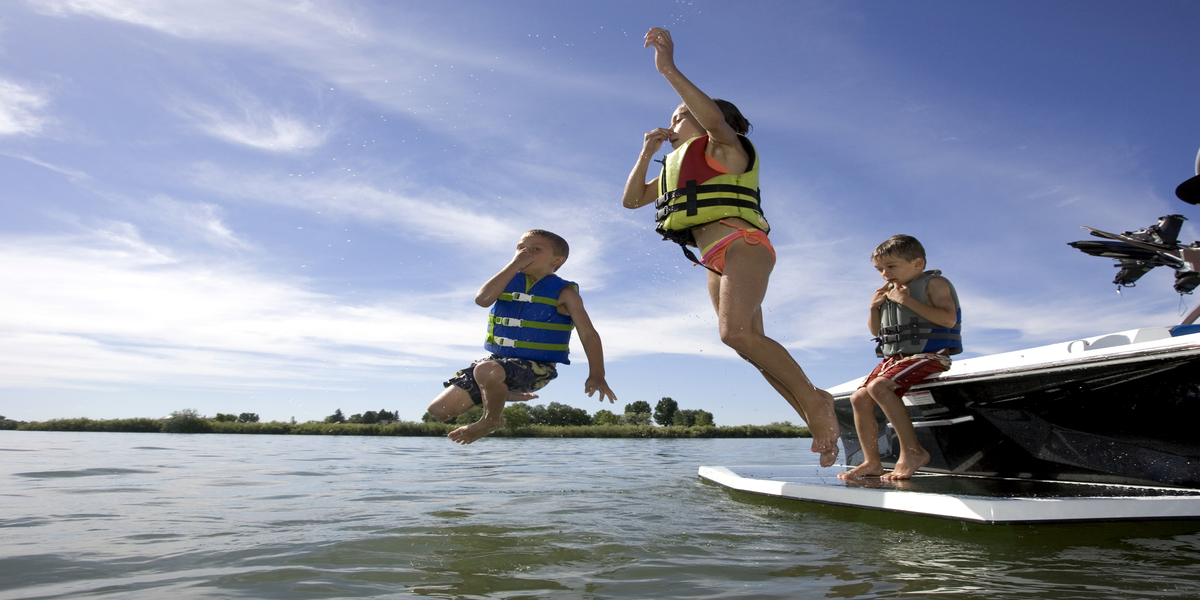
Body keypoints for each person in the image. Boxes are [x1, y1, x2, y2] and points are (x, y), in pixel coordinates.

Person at [621, 27, 840, 466]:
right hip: (714, 260)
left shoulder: (725, 148)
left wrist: (667, 68)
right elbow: (631, 200)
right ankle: (815, 417)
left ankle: (817, 401)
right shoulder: (677, 167)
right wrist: (646, 153)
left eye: (680, 116)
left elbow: (715, 122)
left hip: (743, 244)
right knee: (748, 346)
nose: (672, 124)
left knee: (734, 332)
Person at [426, 230, 617, 444]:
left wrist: (597, 374)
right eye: (520, 248)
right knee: (439, 410)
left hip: (537, 368)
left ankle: (490, 420)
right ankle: (503, 392)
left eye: (535, 249)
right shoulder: (507, 280)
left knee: (487, 371)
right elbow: (482, 300)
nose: (525, 252)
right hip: (495, 363)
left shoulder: (565, 293)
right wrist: (514, 265)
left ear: (557, 260)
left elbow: (588, 334)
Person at [838, 235, 962, 480]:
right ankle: (872, 462)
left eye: (891, 266)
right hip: (896, 359)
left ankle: (913, 452)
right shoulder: (888, 292)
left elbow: (948, 319)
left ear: (918, 263)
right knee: (859, 398)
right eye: (879, 269)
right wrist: (874, 308)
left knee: (879, 386)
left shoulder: (934, 283)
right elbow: (876, 332)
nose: (885, 273)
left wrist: (905, 300)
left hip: (931, 354)